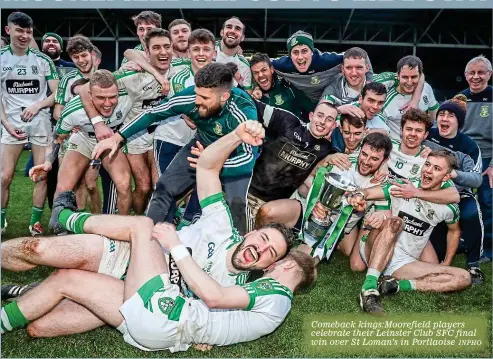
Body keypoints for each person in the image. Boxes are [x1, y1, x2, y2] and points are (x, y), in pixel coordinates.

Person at [1, 121, 294, 338]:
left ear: (268, 265)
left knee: (39, 329)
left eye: (271, 253)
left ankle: (28, 291)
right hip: (129, 254)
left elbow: (212, 323)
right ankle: (65, 218)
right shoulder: (223, 226)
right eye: (265, 238)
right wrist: (235, 135)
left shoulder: (236, 292)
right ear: (250, 232)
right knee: (36, 248)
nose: (261, 249)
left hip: (137, 297)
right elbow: (206, 169)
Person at [92, 63, 259, 235]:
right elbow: (153, 112)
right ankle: (149, 240)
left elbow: (247, 157)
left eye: (204, 98)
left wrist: (212, 164)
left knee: (236, 203)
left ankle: (235, 250)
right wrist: (117, 138)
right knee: (164, 187)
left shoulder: (243, 110)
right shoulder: (190, 98)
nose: (197, 101)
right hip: (201, 146)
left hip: (232, 155)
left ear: (224, 96)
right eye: (197, 94)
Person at [352, 150, 470, 314]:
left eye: (436, 168)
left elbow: (454, 231)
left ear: (445, 178)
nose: (428, 170)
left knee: (464, 277)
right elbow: (370, 192)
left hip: (402, 263)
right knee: (396, 222)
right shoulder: (404, 186)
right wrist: (359, 195)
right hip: (375, 247)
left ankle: (395, 285)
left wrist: (446, 262)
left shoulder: (448, 207)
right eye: (427, 165)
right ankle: (369, 288)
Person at [29, 69, 133, 222]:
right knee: (63, 187)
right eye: (101, 98)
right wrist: (48, 162)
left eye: (112, 97)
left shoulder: (128, 97)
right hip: (84, 138)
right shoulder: (73, 110)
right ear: (89, 95)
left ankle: (122, 229)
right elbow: (57, 138)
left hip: (111, 139)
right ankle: (59, 229)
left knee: (124, 184)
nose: (107, 103)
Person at [0, 12, 59, 236]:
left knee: (41, 174)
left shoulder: (42, 60)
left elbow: (56, 94)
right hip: (10, 123)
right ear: (8, 31)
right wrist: (4, 122)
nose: (24, 35)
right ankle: (1, 221)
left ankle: (34, 222)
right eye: (19, 30)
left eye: (28, 31)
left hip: (40, 122)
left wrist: (38, 105)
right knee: (4, 176)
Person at [245, 101, 338, 231]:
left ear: (333, 126)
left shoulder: (326, 150)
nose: (322, 122)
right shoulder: (289, 123)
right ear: (311, 116)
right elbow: (251, 104)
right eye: (320, 116)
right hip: (245, 190)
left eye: (329, 120)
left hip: (271, 205)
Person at [424, 95, 484, 284]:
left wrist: (456, 175)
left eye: (450, 115)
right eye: (441, 114)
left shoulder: (469, 146)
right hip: (430, 192)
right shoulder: (428, 135)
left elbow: (477, 179)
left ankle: (474, 264)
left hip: (460, 193)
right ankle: (455, 245)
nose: (444, 118)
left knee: (470, 214)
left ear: (459, 122)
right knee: (437, 251)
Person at [271, 31, 372, 102]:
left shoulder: (326, 61)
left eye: (304, 51)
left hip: (333, 95)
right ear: (290, 55)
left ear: (312, 51)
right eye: (295, 52)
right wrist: (255, 87)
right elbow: (259, 64)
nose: (300, 57)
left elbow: (362, 55)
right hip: (305, 98)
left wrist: (369, 82)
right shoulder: (282, 65)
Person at [460, 55, 492, 260]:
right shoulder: (459, 99)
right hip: (465, 157)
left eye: (481, 72)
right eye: (472, 73)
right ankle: (464, 241)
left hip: (488, 158)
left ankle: (488, 247)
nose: (476, 76)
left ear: (489, 74)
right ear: (465, 75)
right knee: (458, 199)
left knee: (488, 201)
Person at [373, 55, 438, 140]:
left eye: (414, 77)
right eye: (405, 77)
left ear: (420, 76)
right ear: (398, 75)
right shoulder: (386, 96)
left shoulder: (426, 88)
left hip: (419, 147)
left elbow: (434, 114)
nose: (409, 82)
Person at [249, 52, 316, 121]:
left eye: (264, 70)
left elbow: (312, 111)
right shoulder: (253, 97)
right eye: (256, 73)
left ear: (271, 70)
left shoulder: (289, 88)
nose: (260, 75)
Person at [215, 17, 253, 93]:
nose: (232, 31)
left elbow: (248, 97)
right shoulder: (206, 50)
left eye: (237, 29)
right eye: (229, 27)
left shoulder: (244, 65)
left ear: (242, 37)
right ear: (222, 32)